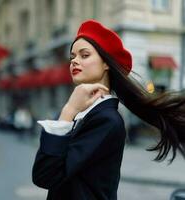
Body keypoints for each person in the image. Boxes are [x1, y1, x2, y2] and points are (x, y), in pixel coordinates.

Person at [32, 19, 185, 200]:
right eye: (72, 57)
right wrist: (70, 110)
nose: (74, 61)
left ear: (106, 63)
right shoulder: (82, 112)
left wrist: (68, 110)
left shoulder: (106, 120)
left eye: (84, 55)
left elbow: (46, 176)